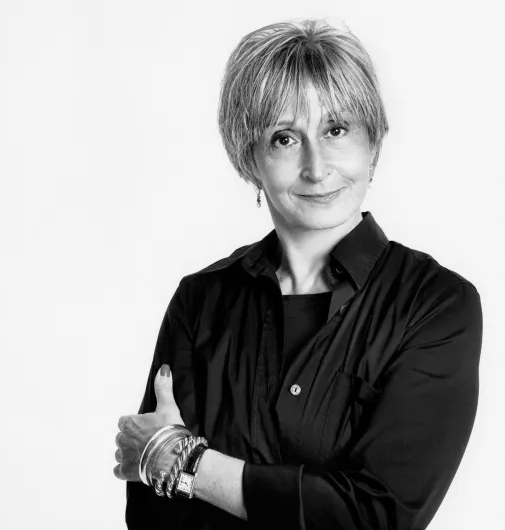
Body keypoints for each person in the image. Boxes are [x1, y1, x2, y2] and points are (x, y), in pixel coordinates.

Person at [112, 19, 483, 530]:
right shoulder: (201, 300)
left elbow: (376, 516)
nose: (316, 167)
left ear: (373, 143)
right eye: (285, 138)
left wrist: (188, 463)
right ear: (250, 160)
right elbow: (153, 513)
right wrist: (171, 463)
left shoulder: (435, 305)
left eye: (336, 130)